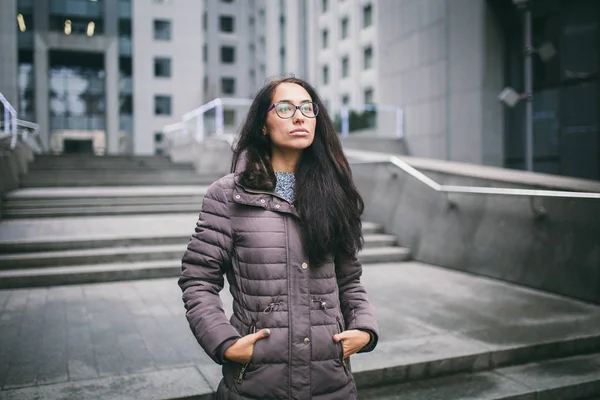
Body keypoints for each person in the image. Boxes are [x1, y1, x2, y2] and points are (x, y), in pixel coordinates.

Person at [179, 76, 379, 399]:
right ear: (262, 125)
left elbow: (349, 280)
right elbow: (197, 280)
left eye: (307, 108)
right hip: (255, 383)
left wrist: (365, 329)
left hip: (331, 382)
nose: (299, 116)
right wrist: (225, 343)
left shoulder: (333, 193)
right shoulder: (228, 195)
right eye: (285, 108)